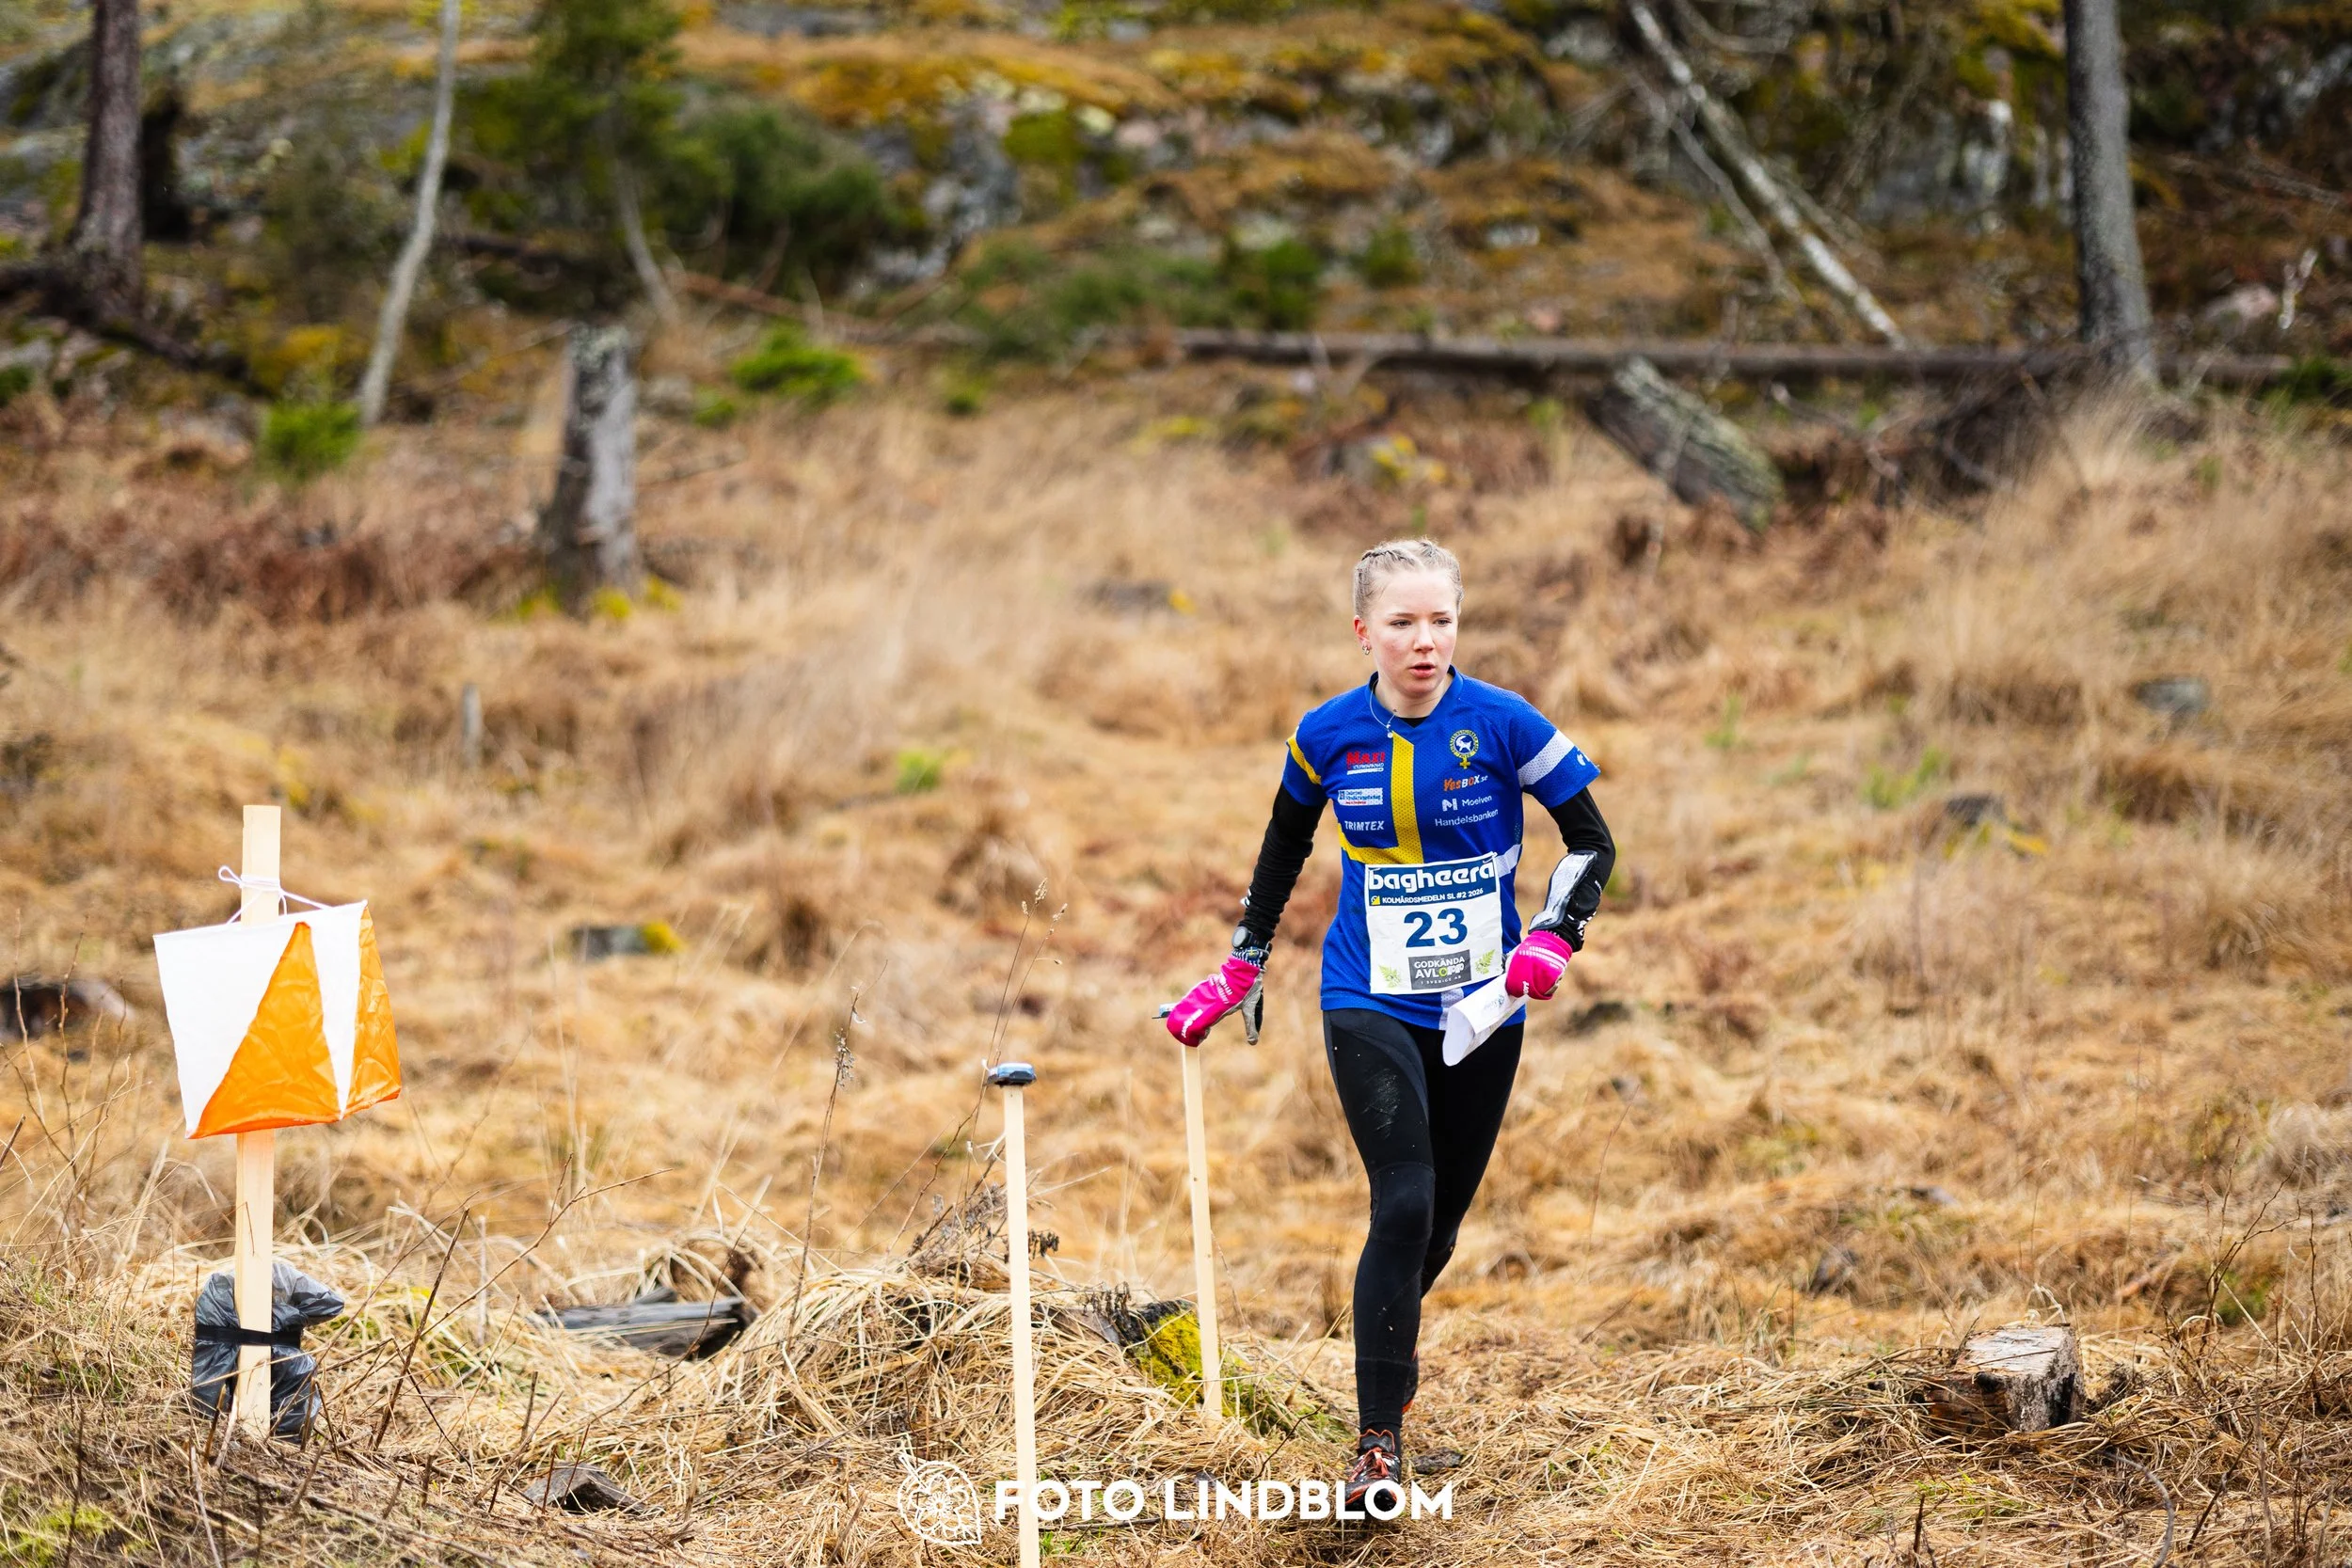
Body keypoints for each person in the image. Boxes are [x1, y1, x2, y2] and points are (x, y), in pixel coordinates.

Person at [1164, 538, 1615, 1513]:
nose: (1424, 640)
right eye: (1402, 622)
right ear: (1362, 629)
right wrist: (1243, 960)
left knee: (1440, 1226)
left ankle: (1384, 1371)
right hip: (1365, 992)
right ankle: (1376, 1445)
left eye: (1441, 620)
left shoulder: (1501, 721)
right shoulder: (1327, 732)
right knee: (1402, 1198)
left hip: (1483, 1004)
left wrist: (1551, 936)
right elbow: (1284, 844)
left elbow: (1591, 837)